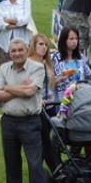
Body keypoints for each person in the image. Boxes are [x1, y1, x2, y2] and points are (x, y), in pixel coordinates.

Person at [0, 38, 48, 183]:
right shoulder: (4, 68)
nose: (16, 53)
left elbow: (30, 92)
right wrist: (18, 89)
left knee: (35, 166)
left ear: (26, 50)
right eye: (13, 51)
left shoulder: (37, 68)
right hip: (8, 122)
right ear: (9, 52)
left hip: (30, 122)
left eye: (20, 50)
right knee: (12, 165)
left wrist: (7, 87)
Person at [28, 32, 58, 173]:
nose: (44, 47)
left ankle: (45, 169)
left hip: (51, 106)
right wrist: (39, 100)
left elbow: (51, 85)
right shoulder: (28, 64)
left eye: (46, 44)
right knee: (43, 140)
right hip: (38, 108)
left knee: (48, 140)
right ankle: (54, 169)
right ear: (33, 46)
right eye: (40, 44)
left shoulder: (47, 63)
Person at [50, 26, 91, 103]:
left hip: (79, 101)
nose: (75, 41)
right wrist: (60, 78)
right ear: (64, 40)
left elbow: (89, 74)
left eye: (76, 39)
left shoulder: (80, 57)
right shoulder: (54, 58)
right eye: (71, 39)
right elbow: (48, 84)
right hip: (62, 102)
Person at [0, 0, 31, 64]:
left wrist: (8, 20)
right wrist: (18, 23)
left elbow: (25, 20)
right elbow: (1, 25)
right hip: (5, 44)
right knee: (5, 70)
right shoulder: (2, 5)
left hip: (22, 41)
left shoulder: (25, 2)